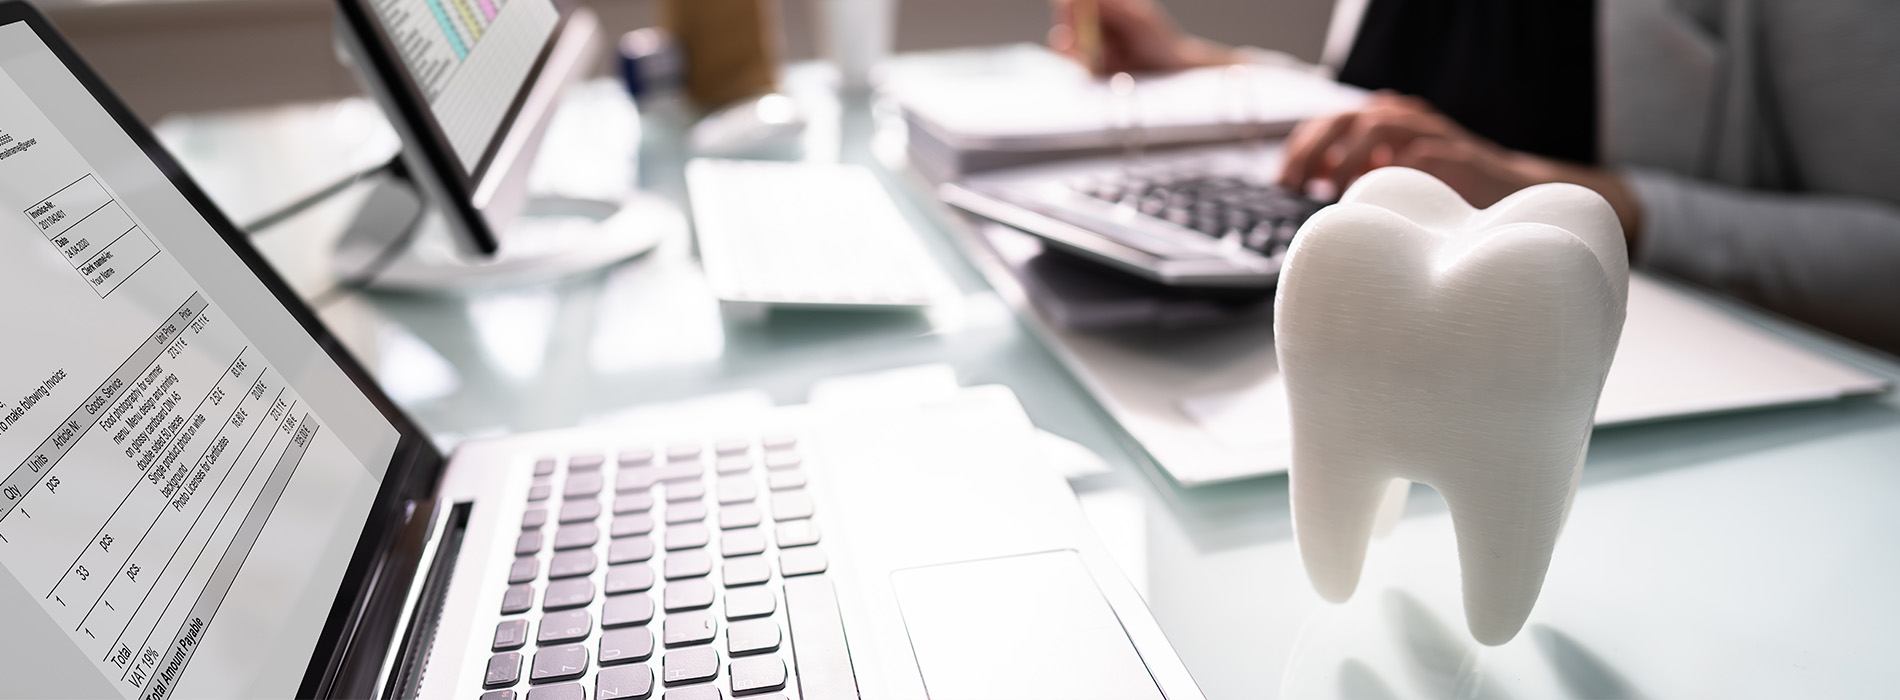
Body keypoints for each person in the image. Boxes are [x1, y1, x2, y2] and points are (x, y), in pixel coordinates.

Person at [1048, 0, 1900, 355]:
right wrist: (1202, 66)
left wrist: (1553, 192)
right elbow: (1389, 111)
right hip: (1344, 341)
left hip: (1594, 392)